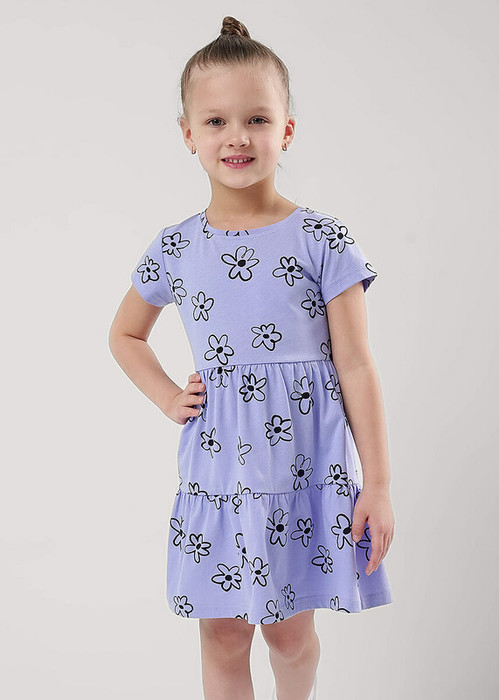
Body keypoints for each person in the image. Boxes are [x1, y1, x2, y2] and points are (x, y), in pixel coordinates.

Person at [109, 15, 395, 700]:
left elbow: (357, 365)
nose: (236, 136)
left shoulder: (323, 240)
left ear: (286, 130)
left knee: (289, 635)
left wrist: (378, 484)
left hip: (304, 469)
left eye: (256, 119)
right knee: (223, 633)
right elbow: (125, 335)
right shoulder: (177, 248)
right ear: (188, 133)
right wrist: (166, 396)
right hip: (220, 473)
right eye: (215, 121)